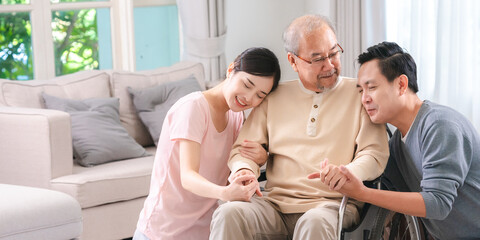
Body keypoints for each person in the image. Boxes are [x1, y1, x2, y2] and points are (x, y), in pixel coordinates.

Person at [209, 15, 389, 240]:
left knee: (313, 223)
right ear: (293, 61)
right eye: (317, 59)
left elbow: (374, 153)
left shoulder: (359, 93)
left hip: (330, 206)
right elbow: (242, 151)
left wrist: (348, 172)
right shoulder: (273, 97)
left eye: (333, 53)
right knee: (229, 213)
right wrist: (244, 170)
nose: (330, 65)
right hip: (274, 205)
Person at [321, 41, 480, 239]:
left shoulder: (440, 126)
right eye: (361, 91)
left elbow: (437, 204)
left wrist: (362, 193)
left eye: (371, 88)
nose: (364, 99)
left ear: (401, 85)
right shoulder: (396, 144)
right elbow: (383, 188)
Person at [133, 47, 282, 240]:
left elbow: (232, 165)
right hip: (162, 232)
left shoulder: (237, 116)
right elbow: (188, 177)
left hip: (203, 232)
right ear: (231, 70)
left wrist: (262, 157)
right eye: (247, 84)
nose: (249, 98)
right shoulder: (193, 108)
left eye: (260, 95)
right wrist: (226, 193)